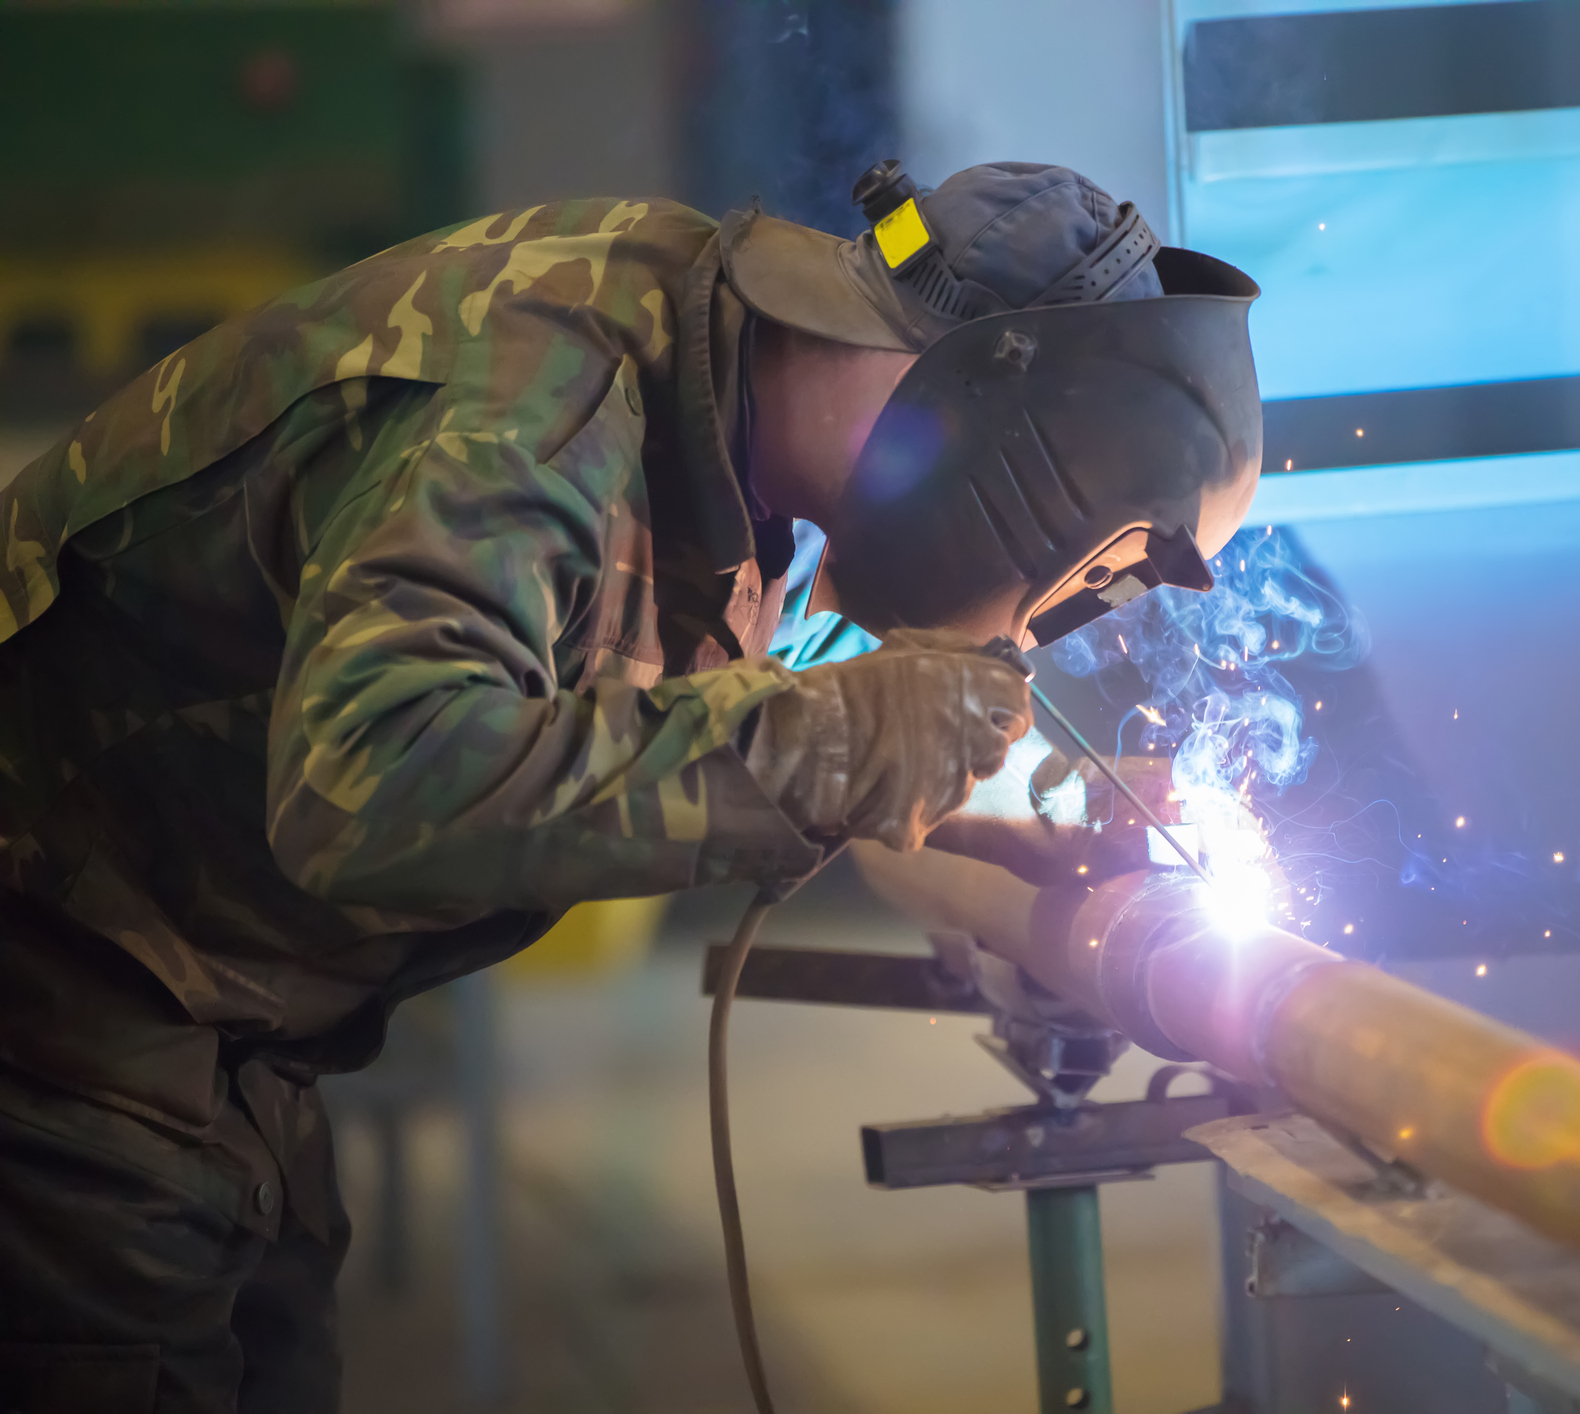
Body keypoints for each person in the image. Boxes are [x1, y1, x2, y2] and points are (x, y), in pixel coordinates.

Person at [0, 160, 1260, 1411]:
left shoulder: (719, 391)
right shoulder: (547, 394)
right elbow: (369, 780)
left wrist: (1007, 806)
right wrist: (834, 743)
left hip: (210, 1023)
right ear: (990, 408)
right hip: (56, 1009)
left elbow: (713, 680)